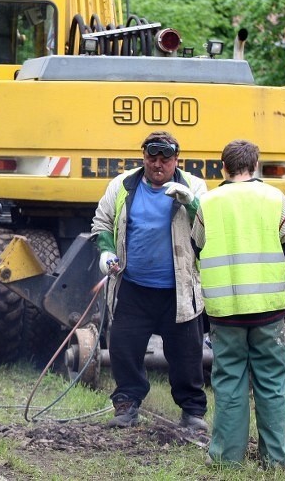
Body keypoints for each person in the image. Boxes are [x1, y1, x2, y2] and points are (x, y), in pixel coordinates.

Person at [191, 140, 285, 469]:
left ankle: (227, 458)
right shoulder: (275, 199)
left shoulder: (207, 203)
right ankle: (276, 460)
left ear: (223, 167)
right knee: (270, 380)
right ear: (255, 165)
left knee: (229, 381)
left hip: (225, 312)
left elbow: (197, 246)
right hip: (268, 308)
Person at [91, 131, 208, 430]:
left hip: (178, 292)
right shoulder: (122, 185)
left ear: (176, 160)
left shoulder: (194, 186)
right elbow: (102, 221)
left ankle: (192, 412)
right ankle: (127, 405)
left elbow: (209, 231)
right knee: (123, 348)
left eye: (164, 160)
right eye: (151, 158)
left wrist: (193, 204)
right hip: (133, 287)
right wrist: (106, 251)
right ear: (143, 157)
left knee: (187, 356)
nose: (157, 165)